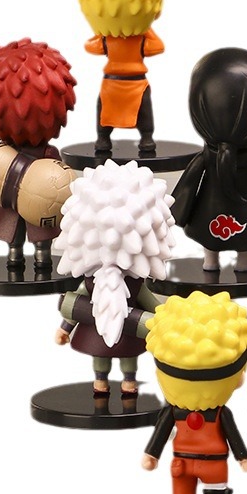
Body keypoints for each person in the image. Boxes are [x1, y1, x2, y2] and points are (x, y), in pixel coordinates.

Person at [54, 160, 175, 396]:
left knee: (128, 357)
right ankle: (101, 381)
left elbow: (151, 303)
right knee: (100, 356)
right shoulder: (91, 281)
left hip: (130, 330)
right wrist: (65, 328)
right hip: (95, 330)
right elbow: (76, 301)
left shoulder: (135, 283)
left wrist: (166, 319)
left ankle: (129, 381)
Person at [142, 291, 247, 494]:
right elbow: (161, 433)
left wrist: (242, 456)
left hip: (212, 462)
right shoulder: (173, 411)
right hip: (183, 462)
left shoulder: (220, 413)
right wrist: (152, 454)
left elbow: (233, 435)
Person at [171, 47, 247, 273]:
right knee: (246, 244)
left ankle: (211, 261)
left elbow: (187, 186)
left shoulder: (207, 156)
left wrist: (177, 212)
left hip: (208, 211)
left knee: (210, 242)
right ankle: (243, 263)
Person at [0, 38, 76, 269]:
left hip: (41, 201)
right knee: (14, 233)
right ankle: (17, 257)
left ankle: (41, 258)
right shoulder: (6, 154)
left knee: (41, 233)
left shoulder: (46, 153)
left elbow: (58, 179)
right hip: (11, 197)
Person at [75, 0, 167, 153]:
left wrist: (145, 24)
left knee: (143, 112)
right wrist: (102, 28)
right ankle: (103, 139)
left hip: (134, 83)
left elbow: (157, 47)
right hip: (113, 83)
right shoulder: (108, 38)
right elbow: (91, 46)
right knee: (104, 112)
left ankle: (146, 138)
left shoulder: (138, 38)